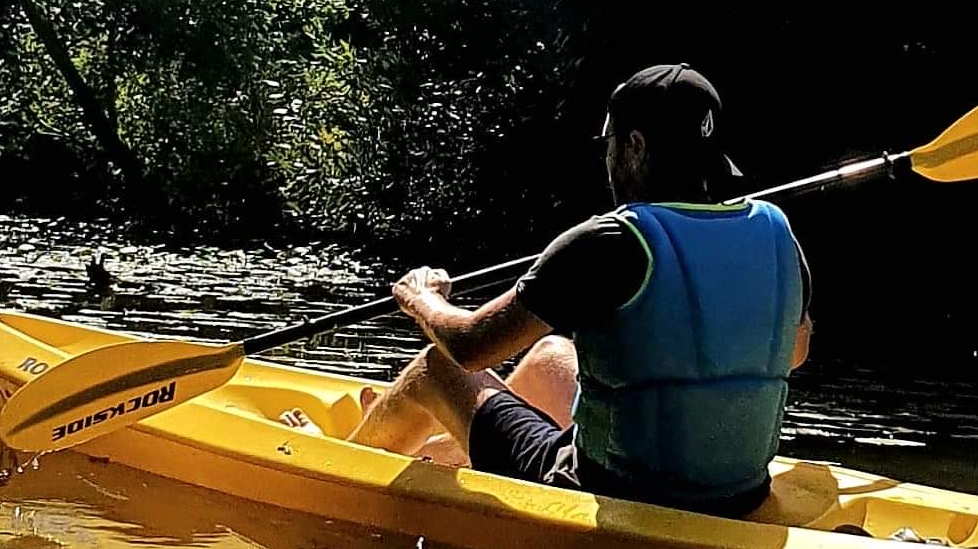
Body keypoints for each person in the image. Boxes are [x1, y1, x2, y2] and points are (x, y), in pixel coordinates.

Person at [347, 62, 810, 515]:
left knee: (435, 368)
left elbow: (469, 347)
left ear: (634, 145)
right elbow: (794, 351)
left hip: (610, 490)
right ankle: (443, 448)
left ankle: (345, 458)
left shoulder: (611, 240)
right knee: (550, 356)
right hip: (740, 495)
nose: (607, 161)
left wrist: (421, 298)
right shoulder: (776, 232)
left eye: (607, 145)